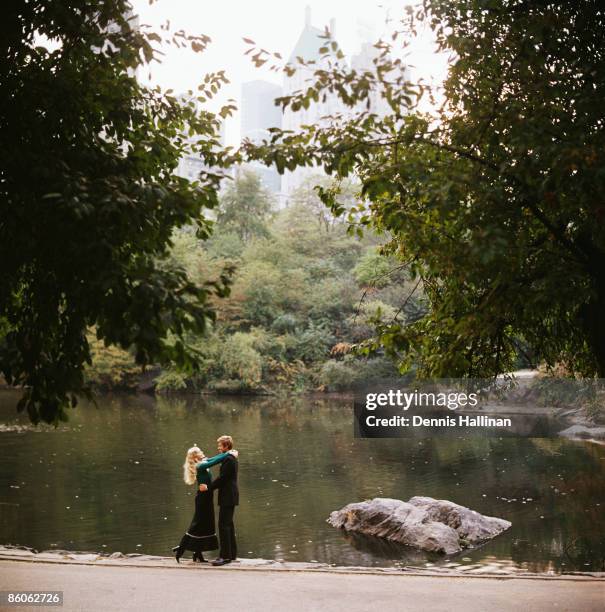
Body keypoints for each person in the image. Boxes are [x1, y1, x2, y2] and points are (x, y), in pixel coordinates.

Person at [173, 445, 238, 563]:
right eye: (200, 451)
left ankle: (197, 553)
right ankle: (181, 547)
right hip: (202, 498)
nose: (202, 452)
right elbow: (217, 460)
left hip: (207, 497)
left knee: (205, 525)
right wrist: (230, 454)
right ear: (195, 456)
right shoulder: (200, 465)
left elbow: (215, 458)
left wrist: (228, 453)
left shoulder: (203, 462)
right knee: (198, 524)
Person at [199, 435, 239, 566]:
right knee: (228, 525)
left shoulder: (229, 459)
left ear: (226, 446)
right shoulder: (228, 458)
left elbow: (222, 479)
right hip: (229, 495)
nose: (218, 447)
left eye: (220, 445)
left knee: (223, 525)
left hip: (228, 496)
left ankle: (225, 557)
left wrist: (208, 488)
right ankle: (231, 554)